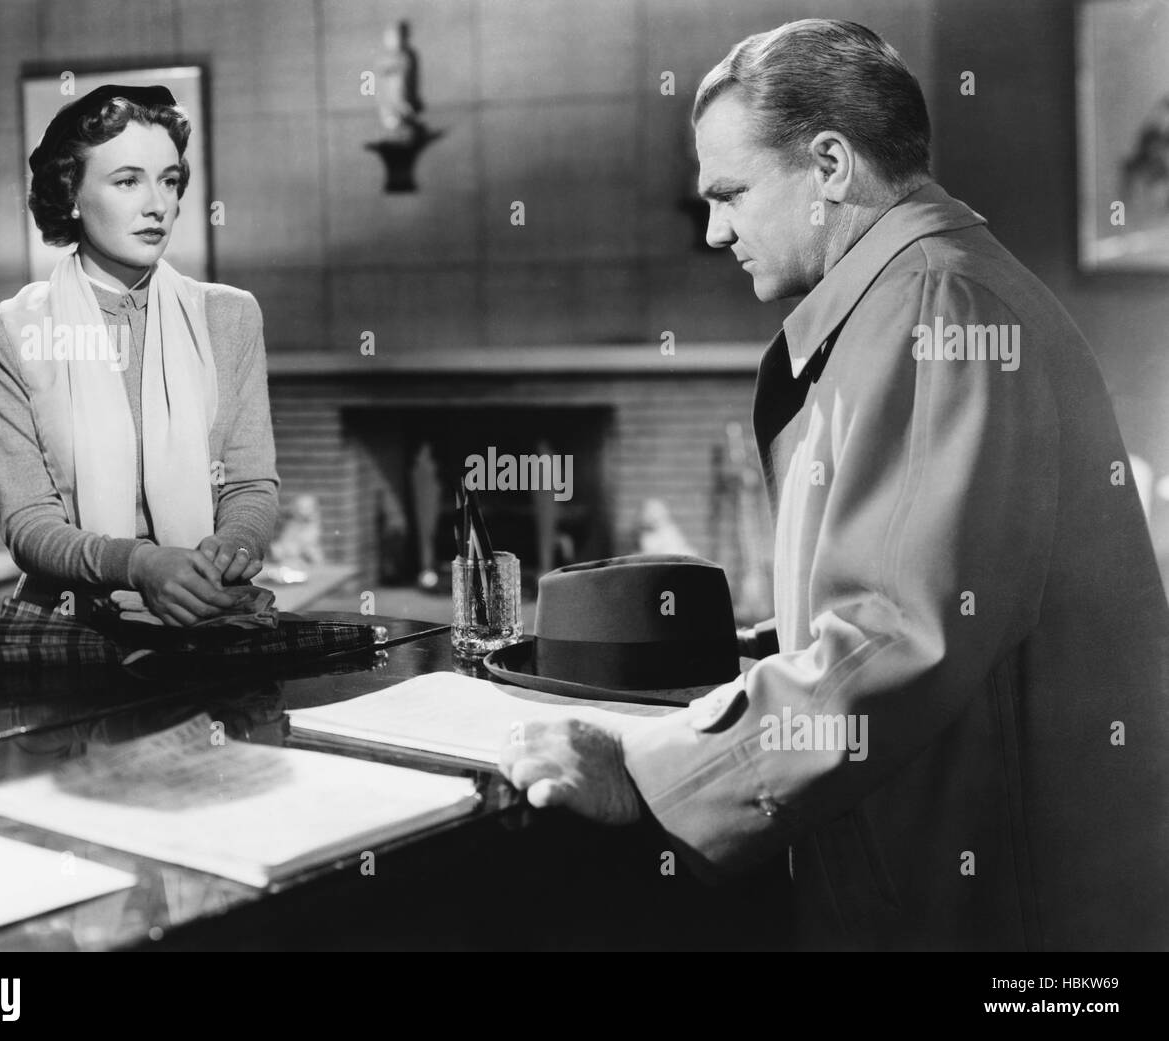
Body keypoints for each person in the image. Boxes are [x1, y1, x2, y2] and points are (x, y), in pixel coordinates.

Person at [500, 19, 1169, 951]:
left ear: (829, 164)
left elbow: (899, 636)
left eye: (730, 193)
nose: (713, 229)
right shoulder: (916, 295)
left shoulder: (935, 307)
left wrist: (654, 775)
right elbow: (916, 597)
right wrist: (748, 661)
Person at [0, 85, 279, 627]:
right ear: (72, 195)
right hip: (72, 624)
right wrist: (141, 565)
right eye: (128, 181)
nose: (158, 204)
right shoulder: (0, 337)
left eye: (170, 180)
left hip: (207, 609)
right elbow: (30, 526)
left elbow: (250, 483)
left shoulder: (230, 316)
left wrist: (229, 553)